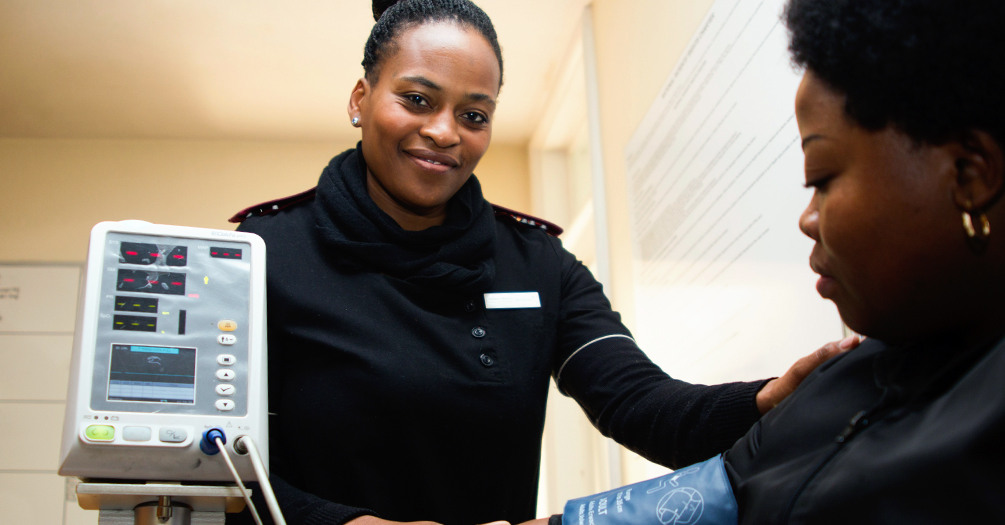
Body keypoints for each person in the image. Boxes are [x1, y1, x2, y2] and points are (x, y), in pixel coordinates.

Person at [227, 1, 855, 524]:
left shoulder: (537, 263)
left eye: (474, 115)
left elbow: (641, 404)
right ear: (361, 98)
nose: (445, 131)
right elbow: (221, 466)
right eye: (418, 100)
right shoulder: (265, 256)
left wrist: (766, 401)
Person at [531, 0, 1005, 523]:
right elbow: (715, 494)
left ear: (969, 176)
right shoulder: (847, 377)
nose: (807, 218)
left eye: (820, 179)